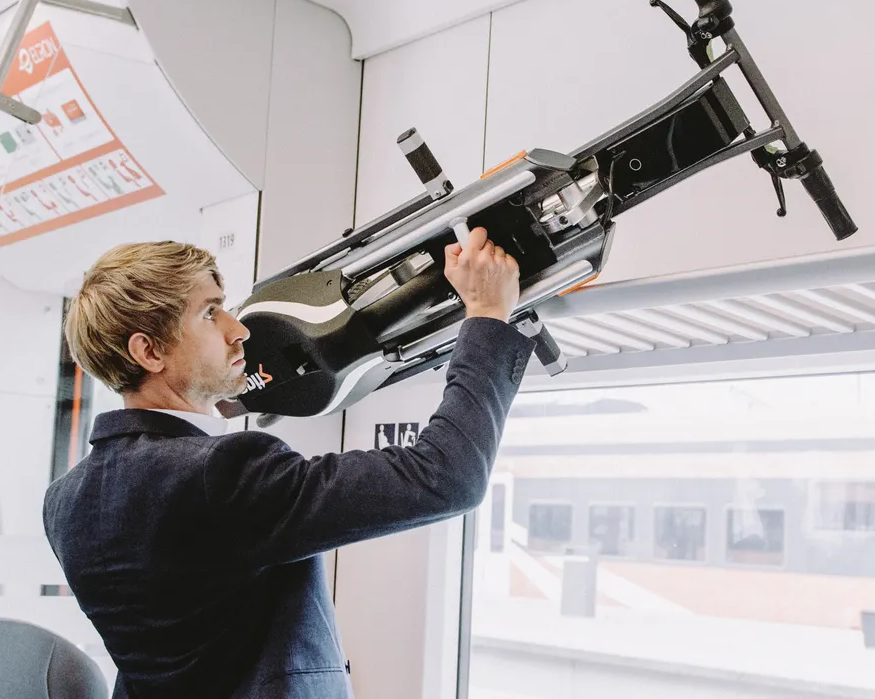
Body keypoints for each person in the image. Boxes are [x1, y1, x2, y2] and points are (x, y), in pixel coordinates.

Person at [43, 227, 534, 699]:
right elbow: (446, 477)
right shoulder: (219, 473)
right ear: (148, 351)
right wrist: (487, 316)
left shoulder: (62, 502)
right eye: (211, 313)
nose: (239, 330)